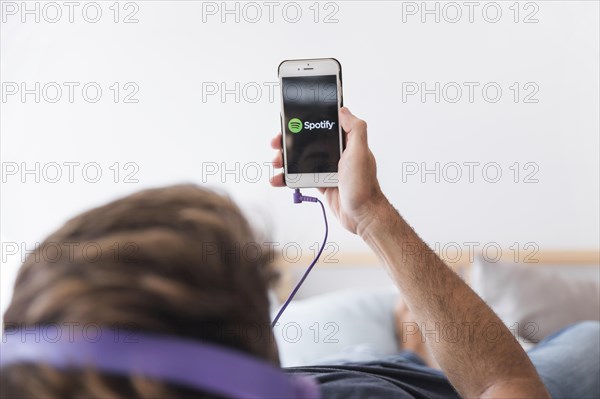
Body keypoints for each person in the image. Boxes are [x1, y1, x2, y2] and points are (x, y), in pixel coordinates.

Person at [1, 108, 598, 398]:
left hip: (351, 366)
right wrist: (371, 216)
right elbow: (505, 383)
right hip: (401, 383)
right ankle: (421, 349)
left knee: (372, 348)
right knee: (589, 343)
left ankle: (415, 343)